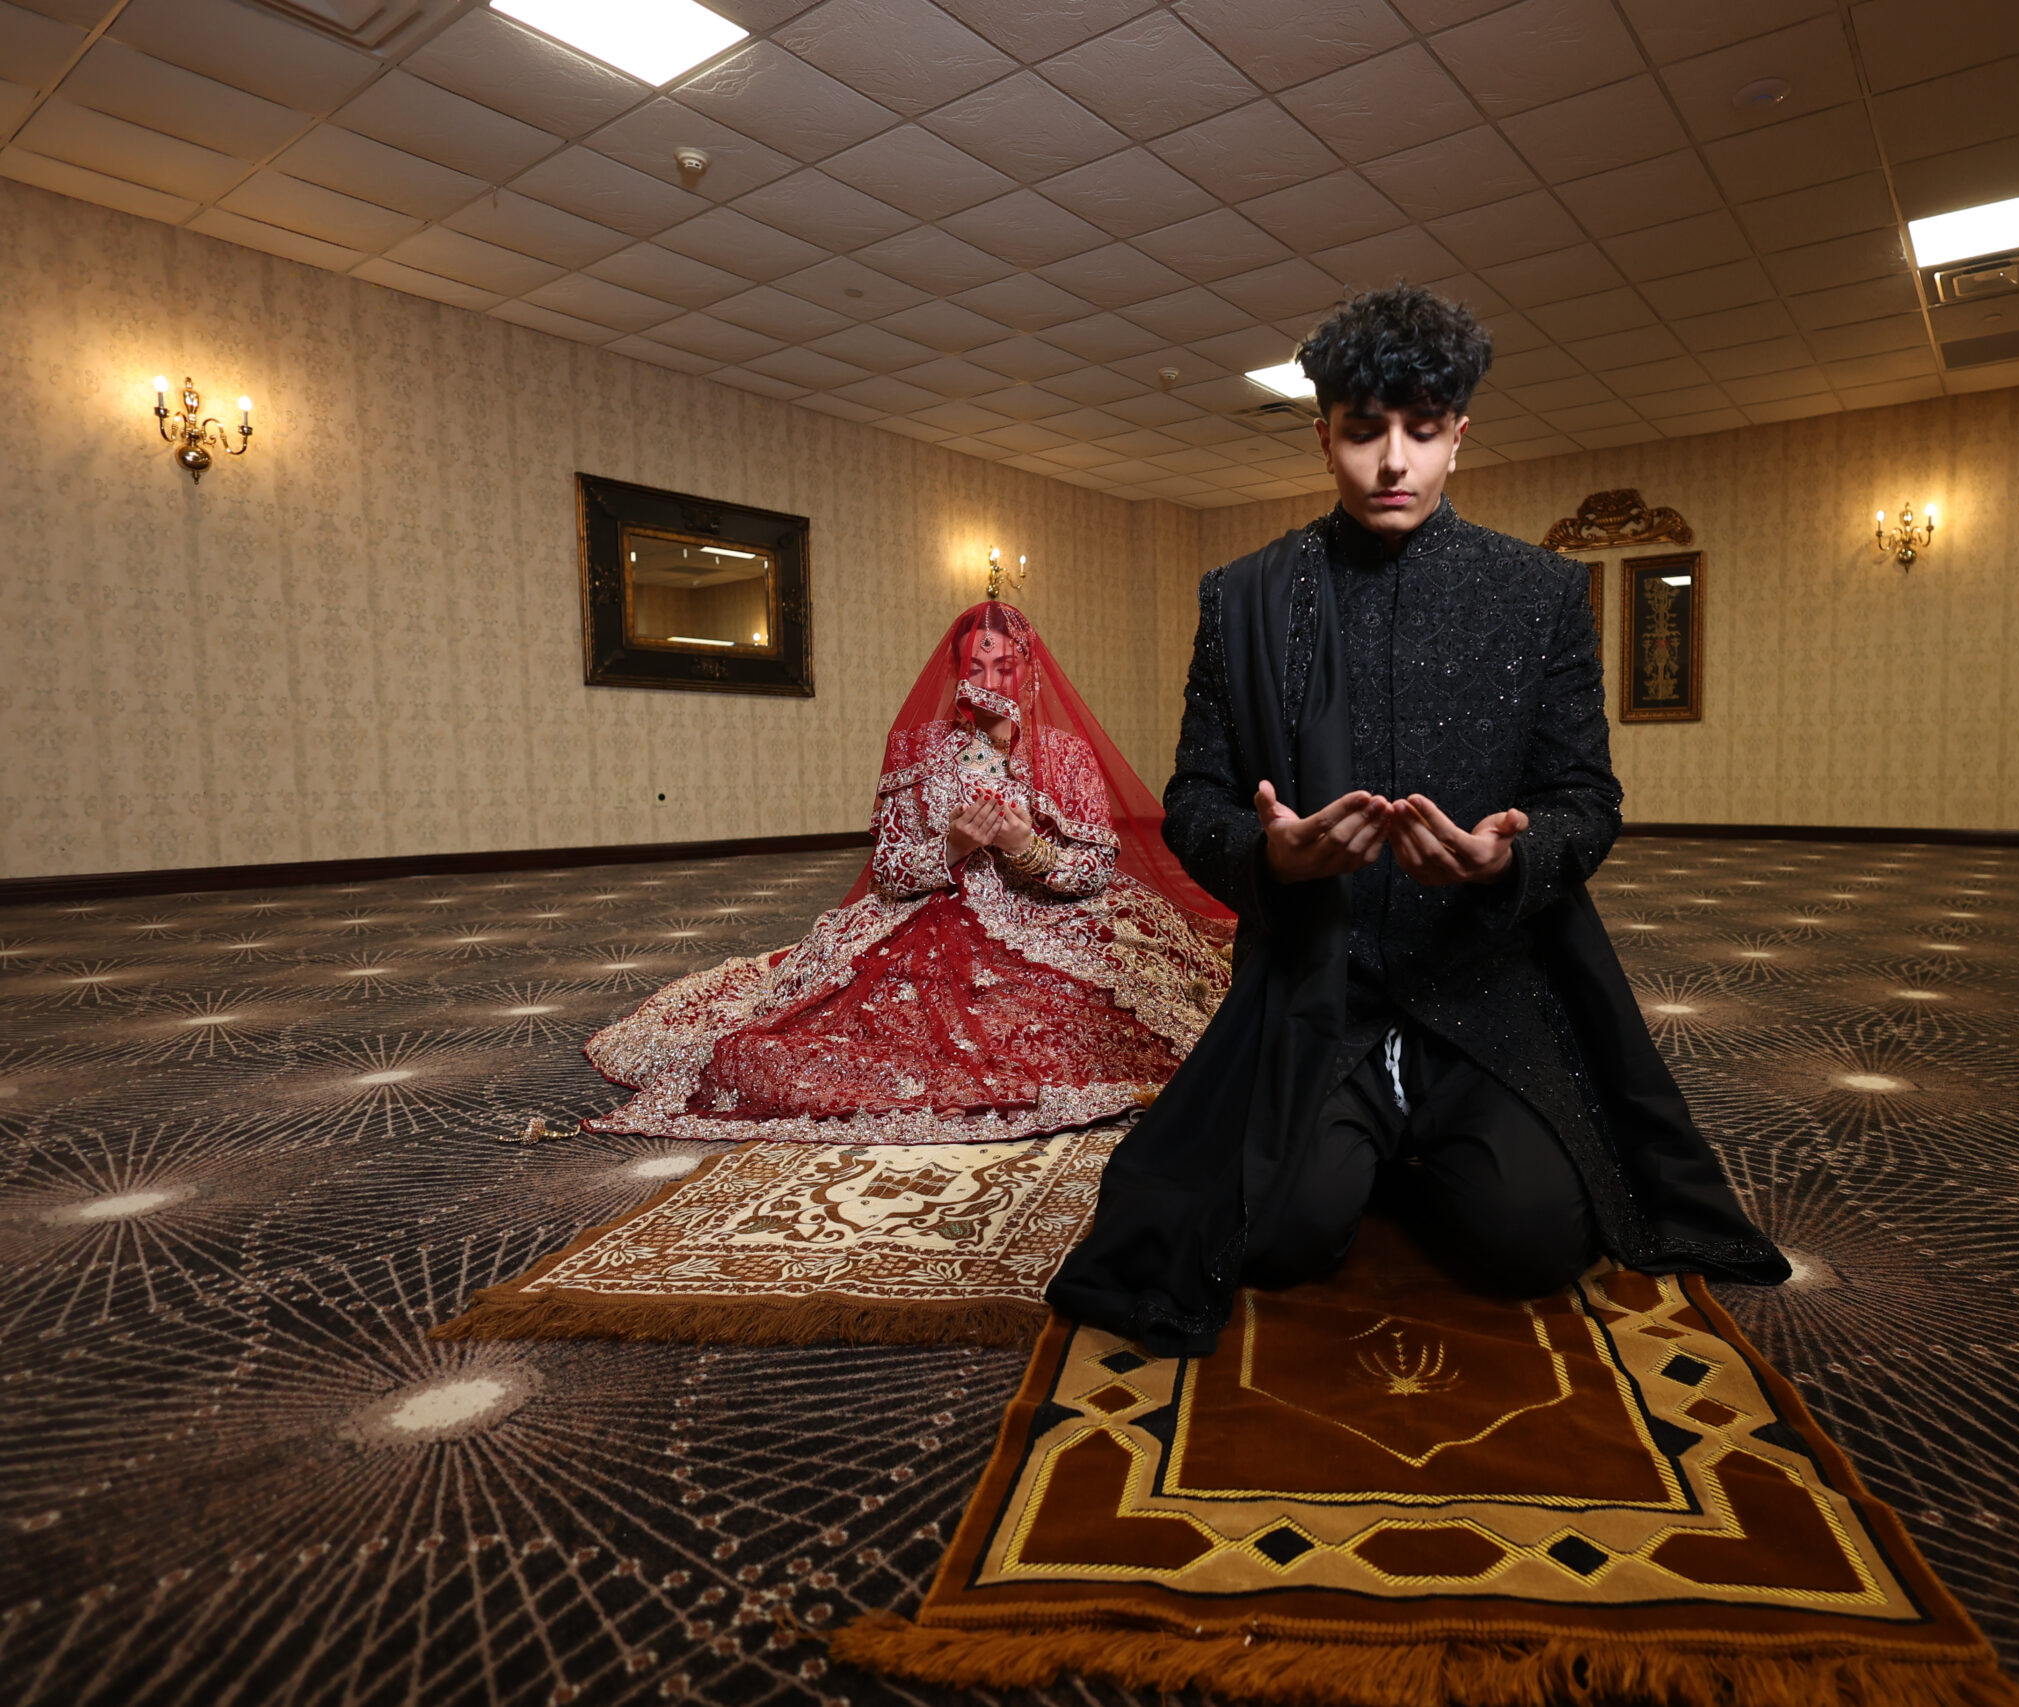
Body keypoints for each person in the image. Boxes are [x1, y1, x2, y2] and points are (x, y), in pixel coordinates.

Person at [1048, 285, 1788, 1355]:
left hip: (1484, 988)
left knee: (1529, 1243)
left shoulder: (1538, 595)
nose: (1392, 462)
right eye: (1363, 432)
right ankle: (1358, 1147)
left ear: (1459, 434)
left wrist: (1506, 860)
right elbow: (1196, 800)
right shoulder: (1243, 598)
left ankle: (1408, 1144)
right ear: (1323, 436)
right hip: (1320, 992)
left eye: (1423, 430)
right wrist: (1270, 855)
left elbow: (1588, 800)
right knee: (1280, 1239)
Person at [584, 602, 1233, 1146]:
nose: (989, 681)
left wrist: (1026, 847)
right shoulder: (918, 752)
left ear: (1029, 674)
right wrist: (953, 844)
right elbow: (890, 872)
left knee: (1104, 1014)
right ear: (955, 674)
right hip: (931, 916)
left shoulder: (1065, 756)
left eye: (1003, 667)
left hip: (1052, 917)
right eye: (974, 667)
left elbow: (1093, 870)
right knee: (843, 1029)